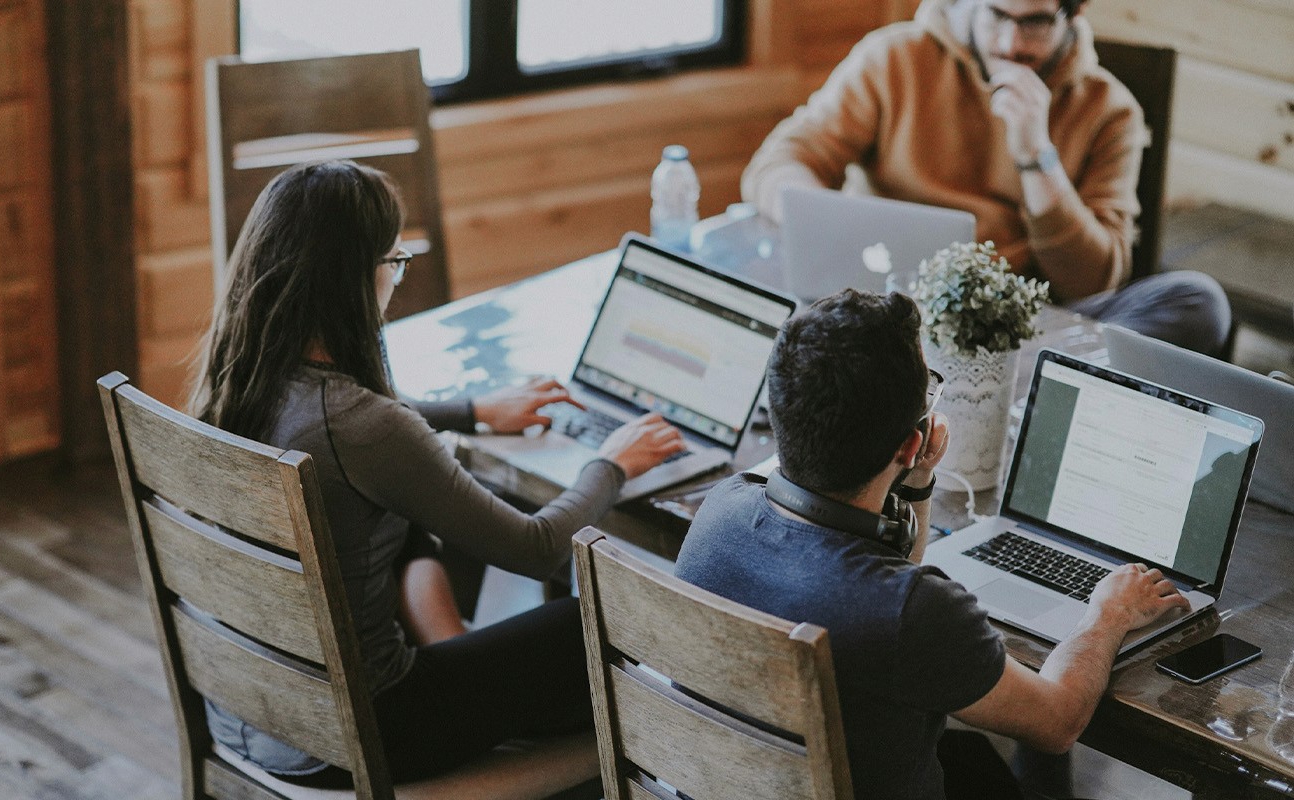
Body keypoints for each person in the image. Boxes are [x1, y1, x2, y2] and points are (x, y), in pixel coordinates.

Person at [189, 160, 685, 787]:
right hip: (365, 731)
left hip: (250, 709)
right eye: (394, 263)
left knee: (407, 521)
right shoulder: (363, 427)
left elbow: (361, 431)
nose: (396, 279)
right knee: (585, 625)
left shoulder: (238, 381)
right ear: (355, 279)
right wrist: (612, 462)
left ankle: (460, 656)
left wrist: (473, 412)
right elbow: (534, 549)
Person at [674, 289, 1191, 800]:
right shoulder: (915, 612)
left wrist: (915, 479)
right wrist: (1108, 613)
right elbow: (1057, 721)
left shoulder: (719, 511)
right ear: (910, 441)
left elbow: (879, 579)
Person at [742, 0, 1231, 357]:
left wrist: (1037, 157)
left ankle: (1027, 394)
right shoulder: (894, 58)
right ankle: (1025, 400)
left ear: (1073, 12)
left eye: (1036, 22)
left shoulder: (1110, 110)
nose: (1012, 44)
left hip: (1021, 334)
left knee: (1199, 302)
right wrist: (821, 223)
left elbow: (1093, 280)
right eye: (997, 14)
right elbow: (779, 163)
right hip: (887, 312)